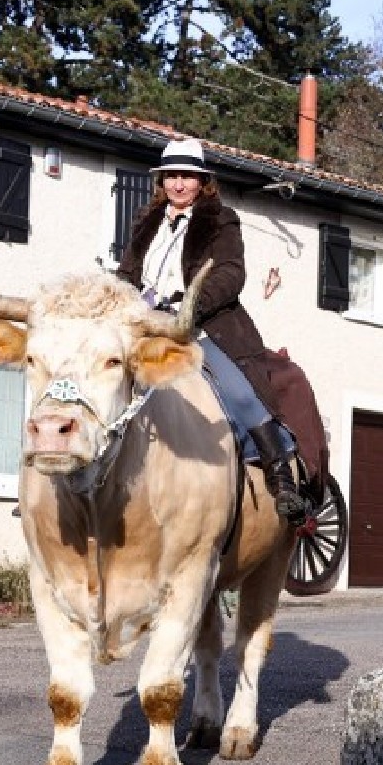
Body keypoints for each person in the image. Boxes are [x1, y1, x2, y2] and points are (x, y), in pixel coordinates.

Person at [117, 138, 309, 525]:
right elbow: (128, 273)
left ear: (202, 181)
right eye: (172, 176)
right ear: (162, 181)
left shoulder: (221, 219)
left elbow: (230, 274)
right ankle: (69, 474)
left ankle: (280, 476)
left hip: (203, 324)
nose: (178, 184)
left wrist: (192, 306)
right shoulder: (146, 221)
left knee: (238, 390)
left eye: (187, 176)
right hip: (144, 322)